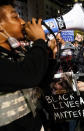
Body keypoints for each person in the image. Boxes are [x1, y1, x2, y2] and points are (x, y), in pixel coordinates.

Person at [0, 0, 48, 131]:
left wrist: (50, 54)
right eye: (15, 17)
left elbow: (40, 81)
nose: (22, 22)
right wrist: (39, 41)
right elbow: (29, 76)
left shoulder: (17, 54)